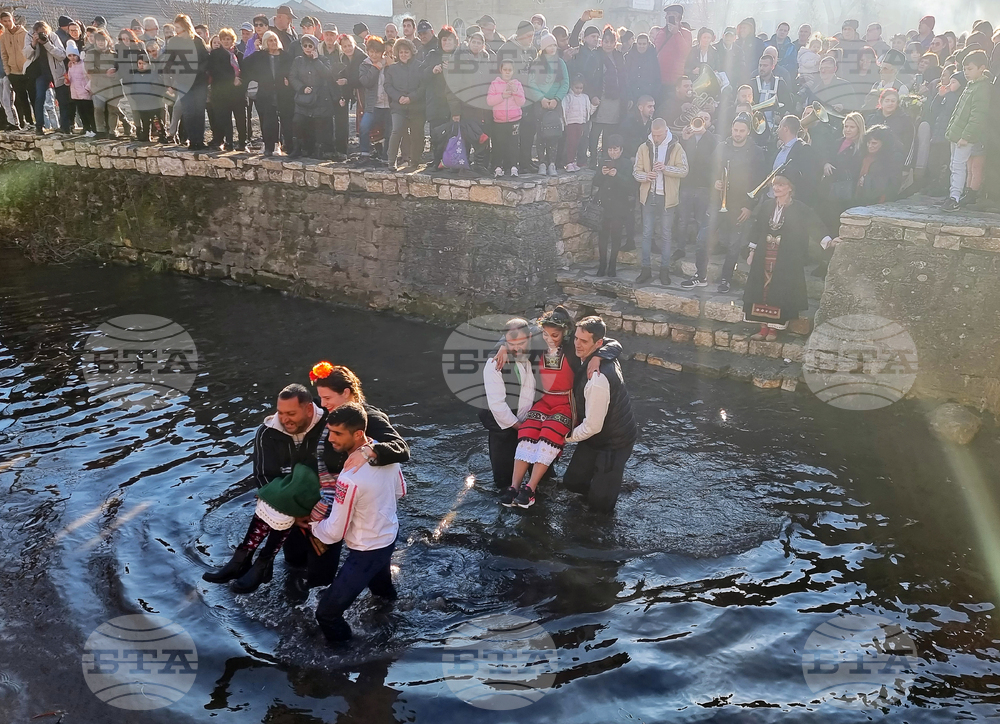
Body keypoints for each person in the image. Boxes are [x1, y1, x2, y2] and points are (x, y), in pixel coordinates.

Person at [286, 362, 410, 598]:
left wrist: (368, 452)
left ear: (346, 393)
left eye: (327, 397)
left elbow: (401, 449)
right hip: (325, 495)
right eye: (320, 397)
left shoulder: (370, 418)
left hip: (349, 503)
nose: (322, 404)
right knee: (294, 554)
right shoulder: (329, 414)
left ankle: (323, 608)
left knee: (323, 568)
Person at [202, 384, 328, 592]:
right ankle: (256, 562)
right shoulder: (268, 432)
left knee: (319, 573)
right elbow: (263, 477)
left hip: (319, 504)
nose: (284, 419)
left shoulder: (329, 424)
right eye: (280, 412)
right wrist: (293, 514)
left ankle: (253, 560)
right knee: (294, 564)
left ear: (308, 409)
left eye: (291, 413)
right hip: (288, 510)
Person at [309, 403, 406, 645]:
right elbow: (400, 491)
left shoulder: (349, 477)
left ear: (357, 434)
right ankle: (391, 624)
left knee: (326, 613)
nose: (330, 439)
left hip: (365, 549)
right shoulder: (382, 452)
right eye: (329, 431)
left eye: (337, 433)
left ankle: (345, 656)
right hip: (389, 535)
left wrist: (313, 524)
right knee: (383, 594)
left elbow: (333, 533)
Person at [743, 168, 837, 341]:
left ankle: (773, 329)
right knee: (759, 291)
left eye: (781, 185)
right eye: (775, 185)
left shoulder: (800, 208)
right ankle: (762, 328)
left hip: (785, 258)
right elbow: (757, 229)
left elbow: (813, 225)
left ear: (790, 188)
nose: (777, 188)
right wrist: (751, 252)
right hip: (764, 255)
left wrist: (828, 241)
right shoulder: (766, 206)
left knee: (779, 290)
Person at [563, 316, 638, 514]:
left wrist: (563, 437)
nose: (577, 344)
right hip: (596, 436)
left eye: (583, 341)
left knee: (600, 505)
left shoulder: (597, 379)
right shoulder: (596, 353)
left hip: (614, 442)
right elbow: (613, 342)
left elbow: (592, 427)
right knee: (572, 483)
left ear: (598, 344)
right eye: (576, 338)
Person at [480, 319, 536, 490]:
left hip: (529, 424)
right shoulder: (495, 365)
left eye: (522, 342)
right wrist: (522, 428)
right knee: (503, 482)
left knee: (542, 478)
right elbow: (498, 406)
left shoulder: (536, 350)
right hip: (503, 429)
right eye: (511, 343)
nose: (517, 348)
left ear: (531, 337)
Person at [713, 113, 766, 293]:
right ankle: (700, 275)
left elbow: (760, 183)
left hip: (740, 204)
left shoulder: (756, 152)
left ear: (748, 132)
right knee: (703, 239)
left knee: (734, 244)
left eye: (741, 131)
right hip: (718, 202)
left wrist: (750, 207)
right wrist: (715, 182)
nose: (737, 133)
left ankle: (725, 279)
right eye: (735, 130)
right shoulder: (722, 147)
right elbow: (711, 170)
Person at [633, 117, 688, 285]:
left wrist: (665, 169)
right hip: (649, 195)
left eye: (659, 135)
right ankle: (646, 270)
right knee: (647, 233)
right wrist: (646, 176)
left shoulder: (676, 147)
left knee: (666, 234)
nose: (656, 138)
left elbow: (684, 170)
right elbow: (636, 171)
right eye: (653, 135)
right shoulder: (644, 147)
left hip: (667, 197)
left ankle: (664, 271)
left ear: (666, 132)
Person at [943, 50, 990, 210]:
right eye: (965, 69)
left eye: (970, 69)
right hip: (957, 134)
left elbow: (977, 116)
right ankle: (953, 194)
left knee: (959, 166)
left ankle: (954, 197)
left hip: (965, 137)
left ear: (981, 68)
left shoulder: (982, 89)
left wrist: (967, 135)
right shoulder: (971, 86)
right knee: (953, 165)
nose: (966, 72)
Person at [242, 30, 293, 156]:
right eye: (270, 40)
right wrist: (257, 78)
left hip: (283, 92)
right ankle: (269, 145)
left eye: (275, 40)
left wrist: (289, 80)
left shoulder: (285, 56)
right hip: (266, 92)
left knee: (285, 120)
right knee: (268, 121)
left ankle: (283, 146)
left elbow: (292, 71)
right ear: (265, 42)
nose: (273, 42)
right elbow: (246, 64)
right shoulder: (260, 56)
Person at [586, 26, 627, 168]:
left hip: (615, 99)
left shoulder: (618, 56)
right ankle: (592, 159)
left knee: (609, 133)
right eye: (606, 42)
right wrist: (593, 96)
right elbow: (590, 79)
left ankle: (605, 159)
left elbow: (623, 78)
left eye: (611, 42)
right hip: (601, 99)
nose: (608, 45)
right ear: (601, 42)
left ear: (615, 43)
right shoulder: (595, 56)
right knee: (595, 131)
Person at [529, 32, 569, 175]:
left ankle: (552, 163)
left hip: (555, 104)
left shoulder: (560, 63)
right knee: (541, 134)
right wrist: (542, 99)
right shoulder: (537, 63)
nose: (552, 48)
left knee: (554, 133)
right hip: (540, 104)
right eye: (549, 46)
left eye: (554, 45)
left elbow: (565, 83)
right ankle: (541, 163)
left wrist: (556, 99)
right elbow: (531, 83)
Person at [592, 134, 632, 277]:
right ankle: (602, 264)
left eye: (615, 150)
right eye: (610, 149)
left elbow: (631, 187)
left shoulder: (627, 164)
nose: (613, 153)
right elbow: (596, 182)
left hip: (619, 206)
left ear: (621, 150)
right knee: (602, 236)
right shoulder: (603, 161)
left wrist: (617, 175)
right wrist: (602, 174)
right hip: (604, 205)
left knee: (616, 236)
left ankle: (612, 265)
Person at [288, 34, 333, 158]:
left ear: (315, 47)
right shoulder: (298, 60)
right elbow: (292, 76)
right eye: (305, 46)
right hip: (303, 98)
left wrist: (316, 60)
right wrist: (301, 88)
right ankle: (298, 148)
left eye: (310, 45)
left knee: (318, 124)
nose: (307, 48)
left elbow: (327, 74)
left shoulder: (323, 59)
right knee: (297, 121)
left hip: (319, 98)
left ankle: (318, 150)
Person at [384, 36, 424, 171]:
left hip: (416, 107)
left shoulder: (420, 66)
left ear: (412, 52)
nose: (403, 54)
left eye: (406, 52)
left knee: (417, 133)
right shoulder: (392, 69)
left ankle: (415, 161)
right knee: (396, 130)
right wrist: (398, 97)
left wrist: (411, 98)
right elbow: (388, 86)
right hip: (398, 106)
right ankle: (391, 161)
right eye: (401, 52)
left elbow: (423, 87)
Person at [23, 21, 66, 136]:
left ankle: (65, 126)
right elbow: (26, 55)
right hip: (40, 73)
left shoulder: (53, 37)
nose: (43, 34)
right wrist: (33, 43)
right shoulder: (29, 36)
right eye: (39, 33)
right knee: (39, 98)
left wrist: (47, 43)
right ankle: (39, 126)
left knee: (62, 99)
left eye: (44, 32)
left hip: (56, 72)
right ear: (35, 32)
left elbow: (62, 55)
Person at [207, 28, 246, 151]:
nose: (225, 41)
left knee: (240, 118)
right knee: (226, 118)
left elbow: (245, 71)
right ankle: (229, 143)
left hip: (237, 92)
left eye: (228, 39)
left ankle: (242, 143)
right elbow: (216, 71)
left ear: (232, 40)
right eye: (223, 39)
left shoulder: (239, 54)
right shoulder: (215, 54)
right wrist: (232, 79)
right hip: (222, 92)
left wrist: (240, 81)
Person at [488, 59, 525, 177]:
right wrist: (502, 96)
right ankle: (498, 166)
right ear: (501, 70)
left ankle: (513, 166)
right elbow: (489, 101)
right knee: (499, 144)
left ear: (513, 71)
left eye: (510, 70)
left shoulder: (517, 84)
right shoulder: (495, 84)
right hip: (499, 121)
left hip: (515, 120)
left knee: (513, 144)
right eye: (505, 70)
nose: (507, 72)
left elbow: (521, 102)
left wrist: (515, 91)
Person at [357, 35, 390, 165]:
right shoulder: (365, 65)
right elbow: (366, 82)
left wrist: (384, 64)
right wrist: (375, 68)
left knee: (389, 130)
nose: (374, 55)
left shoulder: (388, 63)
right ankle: (365, 153)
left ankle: (387, 155)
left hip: (388, 104)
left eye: (377, 52)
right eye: (371, 52)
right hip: (373, 105)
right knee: (364, 127)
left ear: (382, 52)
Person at [854, 124, 903, 205]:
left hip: (880, 202)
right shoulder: (864, 155)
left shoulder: (893, 158)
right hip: (861, 199)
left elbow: (893, 184)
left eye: (874, 143)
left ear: (884, 143)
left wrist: (866, 180)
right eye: (868, 142)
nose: (870, 146)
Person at [653, 3, 692, 92]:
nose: (666, 17)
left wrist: (676, 33)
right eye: (666, 15)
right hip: (659, 78)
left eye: (669, 15)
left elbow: (685, 52)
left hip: (675, 80)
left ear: (678, 17)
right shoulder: (661, 32)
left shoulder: (685, 33)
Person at [1, 13, 30, 128]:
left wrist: (28, 67)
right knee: (21, 99)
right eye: (4, 21)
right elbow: (4, 55)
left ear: (13, 20)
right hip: (13, 72)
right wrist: (8, 72)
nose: (7, 23)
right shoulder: (3, 37)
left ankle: (33, 122)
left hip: (26, 71)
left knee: (31, 98)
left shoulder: (25, 34)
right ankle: (24, 123)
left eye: (9, 20)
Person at [562, 74, 596, 171]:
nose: (578, 90)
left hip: (581, 123)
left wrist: (594, 105)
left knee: (577, 143)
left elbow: (588, 111)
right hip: (570, 123)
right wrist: (564, 122)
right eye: (576, 88)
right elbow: (564, 110)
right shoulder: (568, 97)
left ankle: (573, 162)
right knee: (570, 143)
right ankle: (568, 162)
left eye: (581, 88)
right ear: (572, 86)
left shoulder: (585, 97)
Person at [64, 41, 94, 136]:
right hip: (75, 93)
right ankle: (86, 127)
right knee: (81, 112)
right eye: (69, 56)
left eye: (74, 55)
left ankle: (93, 128)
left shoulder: (83, 64)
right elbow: (70, 77)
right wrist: (67, 81)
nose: (72, 57)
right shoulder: (71, 65)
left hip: (85, 92)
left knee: (88, 111)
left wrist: (87, 88)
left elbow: (90, 78)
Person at [625, 32, 660, 108]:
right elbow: (625, 76)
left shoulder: (654, 58)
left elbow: (657, 77)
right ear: (636, 43)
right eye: (640, 44)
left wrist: (654, 96)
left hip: (648, 94)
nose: (642, 46)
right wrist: (629, 96)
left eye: (644, 44)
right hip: (632, 94)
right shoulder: (628, 57)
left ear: (648, 44)